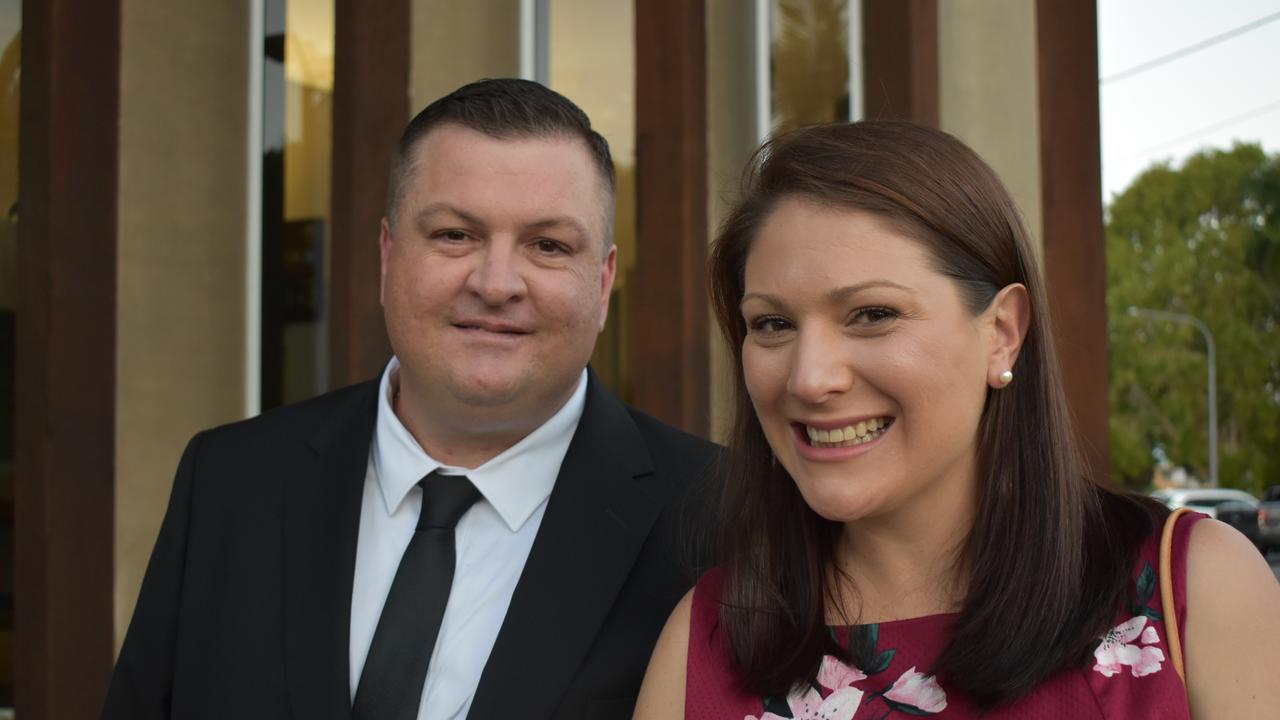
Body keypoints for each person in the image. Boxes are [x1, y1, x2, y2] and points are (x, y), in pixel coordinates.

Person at [103, 79, 716, 720]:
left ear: (604, 280)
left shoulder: (720, 519)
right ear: (389, 254)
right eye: (455, 235)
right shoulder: (229, 480)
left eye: (548, 245)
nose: (497, 283)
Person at [634, 121, 1280, 719]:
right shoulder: (705, 640)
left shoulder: (1193, 589)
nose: (810, 378)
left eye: (872, 314)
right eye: (772, 324)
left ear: (1001, 333)